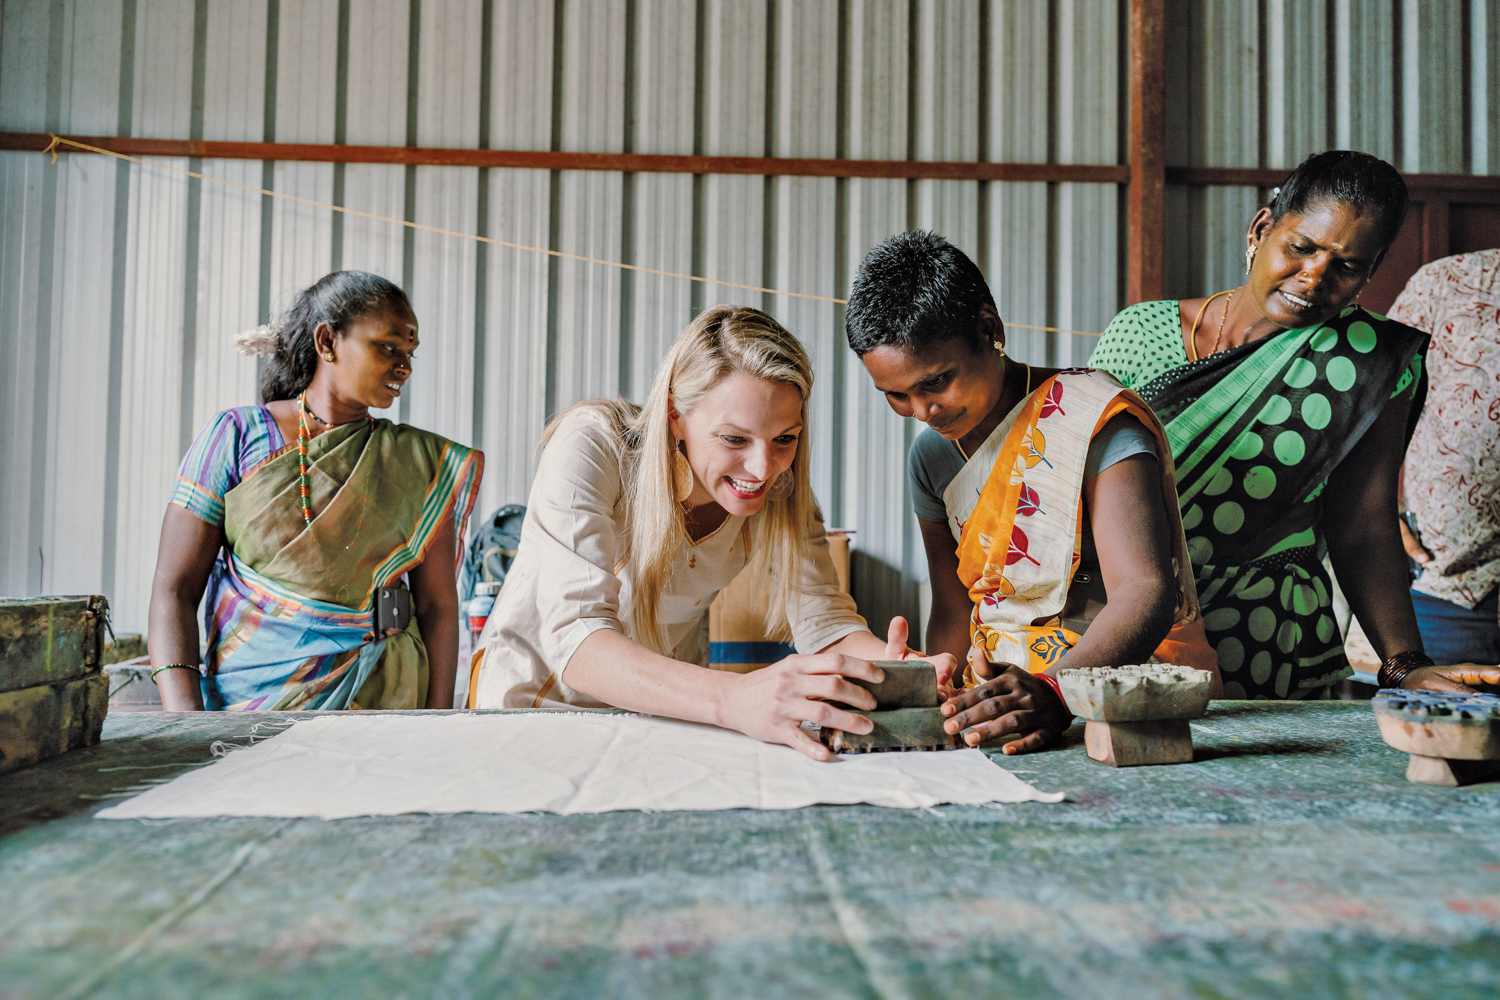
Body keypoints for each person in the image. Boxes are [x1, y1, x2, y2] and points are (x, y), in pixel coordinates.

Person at [1088, 150, 1499, 697]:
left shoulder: (1371, 361)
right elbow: (1077, 489)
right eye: (1301, 248)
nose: (1313, 277)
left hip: (1271, 638)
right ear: (1262, 228)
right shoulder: (1139, 334)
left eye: (1347, 267)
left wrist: (1404, 664)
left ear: (1370, 273)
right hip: (1131, 631)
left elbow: (1363, 525)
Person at [469, 305, 957, 761]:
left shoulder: (782, 492)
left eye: (784, 438)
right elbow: (575, 638)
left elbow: (826, 625)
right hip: (528, 715)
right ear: (675, 415)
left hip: (653, 719)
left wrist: (904, 671)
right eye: (734, 439)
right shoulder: (593, 444)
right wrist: (736, 698)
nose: (762, 468)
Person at [846, 231, 1219, 754]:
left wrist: (1053, 690)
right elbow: (955, 611)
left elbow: (1146, 592)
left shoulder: (1093, 422)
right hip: (1002, 708)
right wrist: (944, 700)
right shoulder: (930, 460)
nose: (923, 412)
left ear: (988, 328)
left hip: (1123, 700)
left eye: (937, 382)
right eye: (896, 396)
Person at [148, 271, 483, 711]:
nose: (404, 366)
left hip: (385, 705)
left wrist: (439, 716)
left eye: (409, 353)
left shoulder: (421, 463)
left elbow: (437, 605)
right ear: (327, 342)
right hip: (245, 712)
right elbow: (174, 591)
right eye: (388, 347)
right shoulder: (236, 437)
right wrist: (184, 723)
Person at [1389, 250, 1500, 665]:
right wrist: (1383, 513)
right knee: (1433, 728)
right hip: (1450, 594)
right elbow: (1363, 410)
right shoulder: (1446, 281)